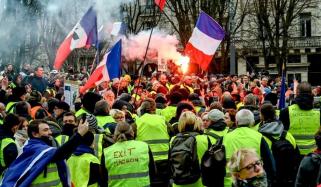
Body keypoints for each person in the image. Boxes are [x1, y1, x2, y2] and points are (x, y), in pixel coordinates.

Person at [0, 118, 89, 186]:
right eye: (45, 130)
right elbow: (60, 154)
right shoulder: (35, 148)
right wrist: (79, 135)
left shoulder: (43, 147)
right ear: (35, 134)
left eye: (49, 129)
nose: (50, 132)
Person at [223, 109, 276, 186]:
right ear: (252, 122)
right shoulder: (259, 137)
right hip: (254, 183)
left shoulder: (225, 138)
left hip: (229, 183)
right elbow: (270, 165)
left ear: (236, 122)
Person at [101, 122, 156, 187]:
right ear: (132, 133)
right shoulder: (144, 146)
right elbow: (152, 171)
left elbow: (103, 178)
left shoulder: (107, 152)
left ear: (115, 134)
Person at [134, 98, 171, 186]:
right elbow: (172, 134)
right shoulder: (163, 120)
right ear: (154, 109)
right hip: (164, 160)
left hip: (146, 159)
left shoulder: (137, 122)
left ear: (141, 110)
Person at [280, 81, 321, 156]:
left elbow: (282, 135)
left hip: (292, 154)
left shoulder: (286, 111)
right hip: (314, 155)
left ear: (297, 93)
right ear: (311, 94)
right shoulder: (318, 113)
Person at [169, 111, 208, 187]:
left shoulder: (173, 140)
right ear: (196, 122)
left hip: (178, 182)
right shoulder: (204, 139)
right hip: (198, 182)